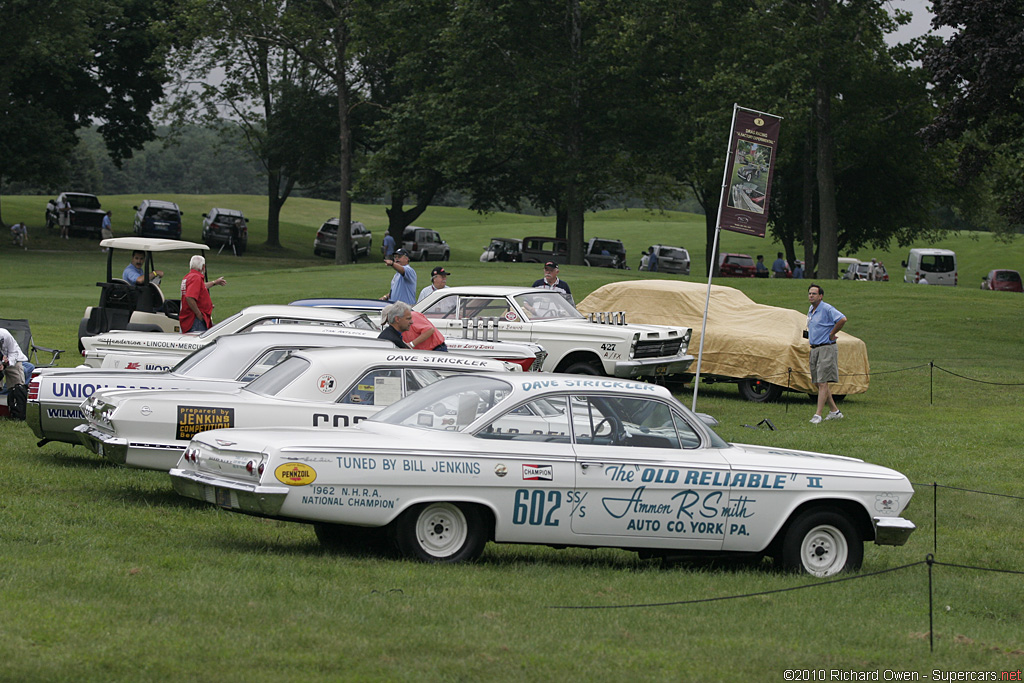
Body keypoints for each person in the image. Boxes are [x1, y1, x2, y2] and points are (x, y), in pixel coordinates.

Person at [806, 283, 847, 424]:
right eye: (810, 293)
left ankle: (818, 415)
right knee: (818, 382)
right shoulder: (811, 309)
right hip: (815, 348)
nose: (811, 296)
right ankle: (835, 411)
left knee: (823, 382)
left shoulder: (827, 308)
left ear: (820, 296)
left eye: (814, 294)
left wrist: (832, 333)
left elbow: (842, 319)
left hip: (826, 348)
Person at [179, 255, 226, 333]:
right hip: (194, 320)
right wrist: (199, 314)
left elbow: (201, 287)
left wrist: (214, 282)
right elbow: (189, 297)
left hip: (190, 319)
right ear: (203, 267)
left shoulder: (188, 277)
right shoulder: (196, 278)